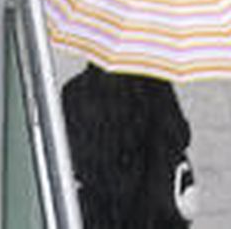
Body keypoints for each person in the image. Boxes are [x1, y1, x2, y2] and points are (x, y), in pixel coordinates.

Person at [60, 61, 198, 228]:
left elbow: (73, 157)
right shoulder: (151, 81)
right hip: (150, 204)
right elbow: (180, 134)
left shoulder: (72, 93)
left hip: (101, 211)